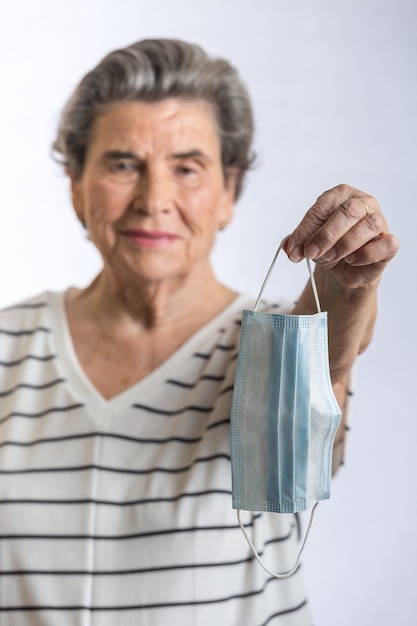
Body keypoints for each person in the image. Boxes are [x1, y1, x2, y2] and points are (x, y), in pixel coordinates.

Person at [0, 38, 398, 625]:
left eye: (187, 167)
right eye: (121, 164)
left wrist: (347, 288)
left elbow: (326, 372)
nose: (154, 199)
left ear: (228, 193)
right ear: (76, 187)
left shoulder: (268, 346)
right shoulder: (9, 347)